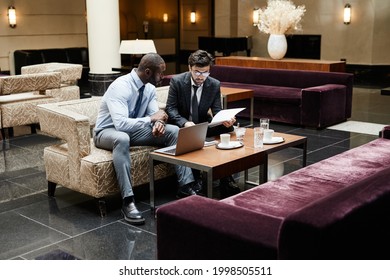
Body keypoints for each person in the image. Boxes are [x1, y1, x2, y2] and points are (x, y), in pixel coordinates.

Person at [93, 53, 201, 225]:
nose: (163, 77)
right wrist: (150, 120)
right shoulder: (121, 86)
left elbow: (154, 115)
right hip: (106, 132)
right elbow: (120, 125)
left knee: (173, 131)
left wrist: (158, 124)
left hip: (133, 131)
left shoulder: (149, 88)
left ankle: (185, 186)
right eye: (161, 73)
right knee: (122, 138)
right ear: (149, 72)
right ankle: (128, 201)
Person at [165, 49, 241, 197]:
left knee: (228, 128)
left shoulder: (214, 84)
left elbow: (217, 110)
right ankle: (192, 183)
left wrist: (225, 119)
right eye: (197, 72)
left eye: (205, 72)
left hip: (202, 125)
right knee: (187, 131)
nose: (201, 77)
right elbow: (171, 109)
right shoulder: (178, 81)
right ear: (189, 68)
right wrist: (185, 123)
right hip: (184, 126)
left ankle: (227, 178)